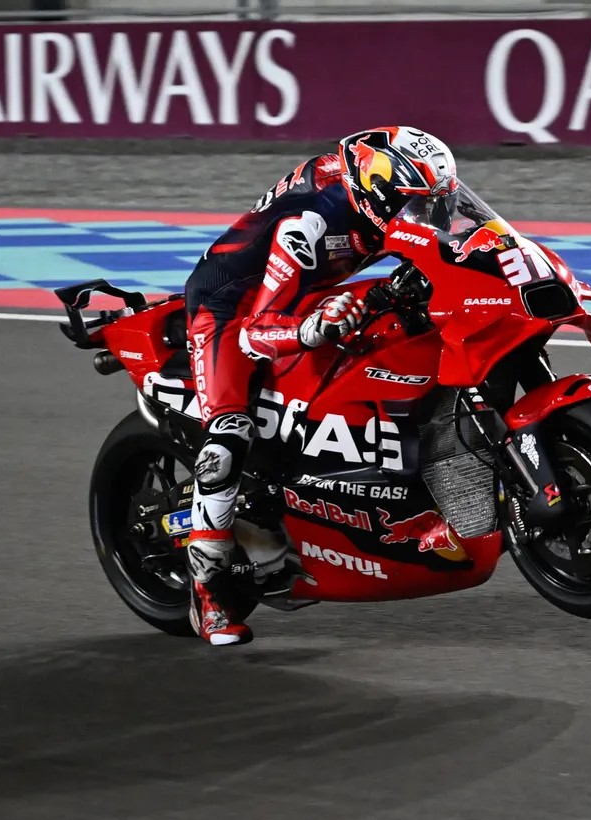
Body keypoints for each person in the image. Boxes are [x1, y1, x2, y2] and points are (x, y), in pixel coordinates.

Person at [183, 125, 460, 646]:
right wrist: (311, 329)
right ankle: (208, 590)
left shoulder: (386, 194)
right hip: (232, 310)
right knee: (228, 434)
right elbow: (257, 333)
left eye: (435, 201)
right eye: (416, 204)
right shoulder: (308, 224)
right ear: (379, 197)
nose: (428, 214)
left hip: (307, 288)